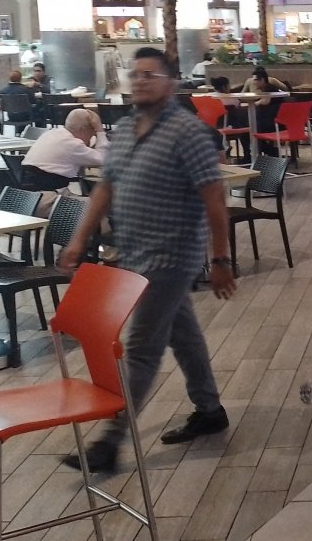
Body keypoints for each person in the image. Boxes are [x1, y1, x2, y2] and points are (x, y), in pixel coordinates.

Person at [58, 47, 235, 474]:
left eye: (149, 75)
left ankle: (110, 441)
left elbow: (213, 197)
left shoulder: (187, 133)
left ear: (171, 83)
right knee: (183, 334)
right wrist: (78, 238)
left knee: (140, 349)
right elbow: (105, 187)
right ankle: (209, 409)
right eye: (134, 74)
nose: (139, 81)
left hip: (171, 257)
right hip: (136, 255)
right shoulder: (124, 128)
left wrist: (221, 257)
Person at [21, 108, 109, 192]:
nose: (91, 137)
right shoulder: (73, 144)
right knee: (95, 205)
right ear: (83, 130)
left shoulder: (50, 133)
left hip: (26, 192)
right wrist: (100, 131)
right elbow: (103, 159)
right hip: (47, 195)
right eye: (92, 133)